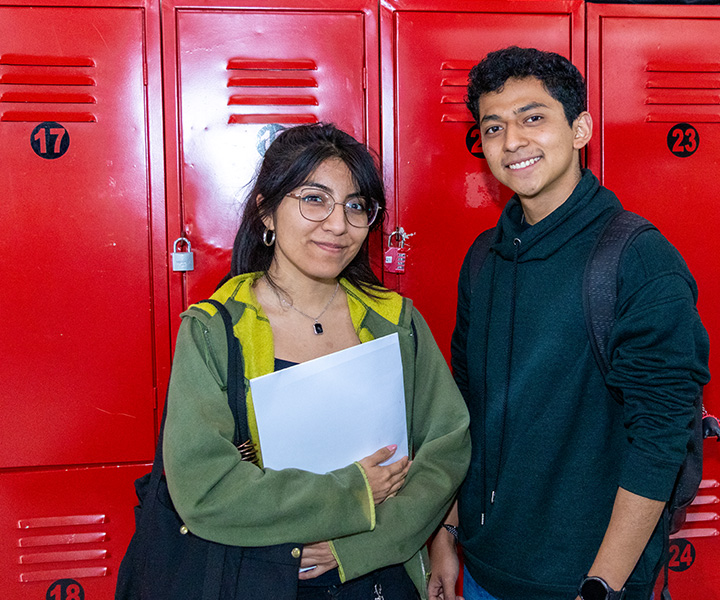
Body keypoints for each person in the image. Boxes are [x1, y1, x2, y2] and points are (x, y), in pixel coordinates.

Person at [428, 47, 710, 600]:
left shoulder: (636, 259)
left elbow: (661, 439)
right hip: (484, 570)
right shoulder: (484, 257)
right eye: (493, 127)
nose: (512, 141)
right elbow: (466, 407)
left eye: (533, 118)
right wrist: (447, 532)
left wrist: (601, 584)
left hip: (584, 579)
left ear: (580, 129)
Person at [163, 123, 471, 599]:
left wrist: (368, 543)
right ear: (266, 211)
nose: (337, 224)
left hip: (384, 571)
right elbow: (205, 488)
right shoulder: (213, 330)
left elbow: (446, 447)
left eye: (355, 206)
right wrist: (353, 493)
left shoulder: (394, 320)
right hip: (264, 575)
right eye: (314, 199)